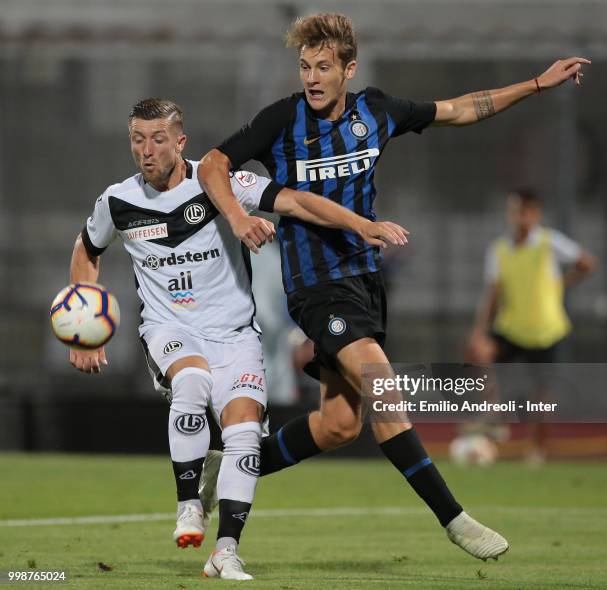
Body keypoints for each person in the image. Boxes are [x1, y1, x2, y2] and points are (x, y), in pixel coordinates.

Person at [198, 12, 590, 561]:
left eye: (323, 67)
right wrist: (240, 219)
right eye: (305, 67)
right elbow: (213, 165)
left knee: (338, 425)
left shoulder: (375, 111)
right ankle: (453, 519)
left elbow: (460, 109)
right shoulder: (280, 120)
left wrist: (534, 85)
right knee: (383, 384)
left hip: (364, 284)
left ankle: (234, 465)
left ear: (348, 70)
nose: (311, 78)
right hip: (315, 287)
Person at [68, 98, 410, 580]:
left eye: (158, 138)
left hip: (234, 334)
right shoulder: (118, 201)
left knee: (245, 435)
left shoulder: (218, 184)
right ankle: (188, 505)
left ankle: (225, 550)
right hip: (170, 329)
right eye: (137, 139)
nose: (147, 150)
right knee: (191, 384)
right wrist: (85, 326)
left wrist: (360, 223)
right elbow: (86, 250)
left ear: (180, 142)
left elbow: (296, 200)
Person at [466, 188, 597, 461]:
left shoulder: (550, 242)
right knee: (480, 353)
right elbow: (493, 294)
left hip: (546, 331)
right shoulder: (499, 249)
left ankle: (537, 450)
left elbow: (586, 263)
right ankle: (495, 416)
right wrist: (480, 331)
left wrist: (561, 284)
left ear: (535, 214)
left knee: (542, 394)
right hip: (512, 327)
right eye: (513, 211)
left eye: (523, 211)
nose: (517, 217)